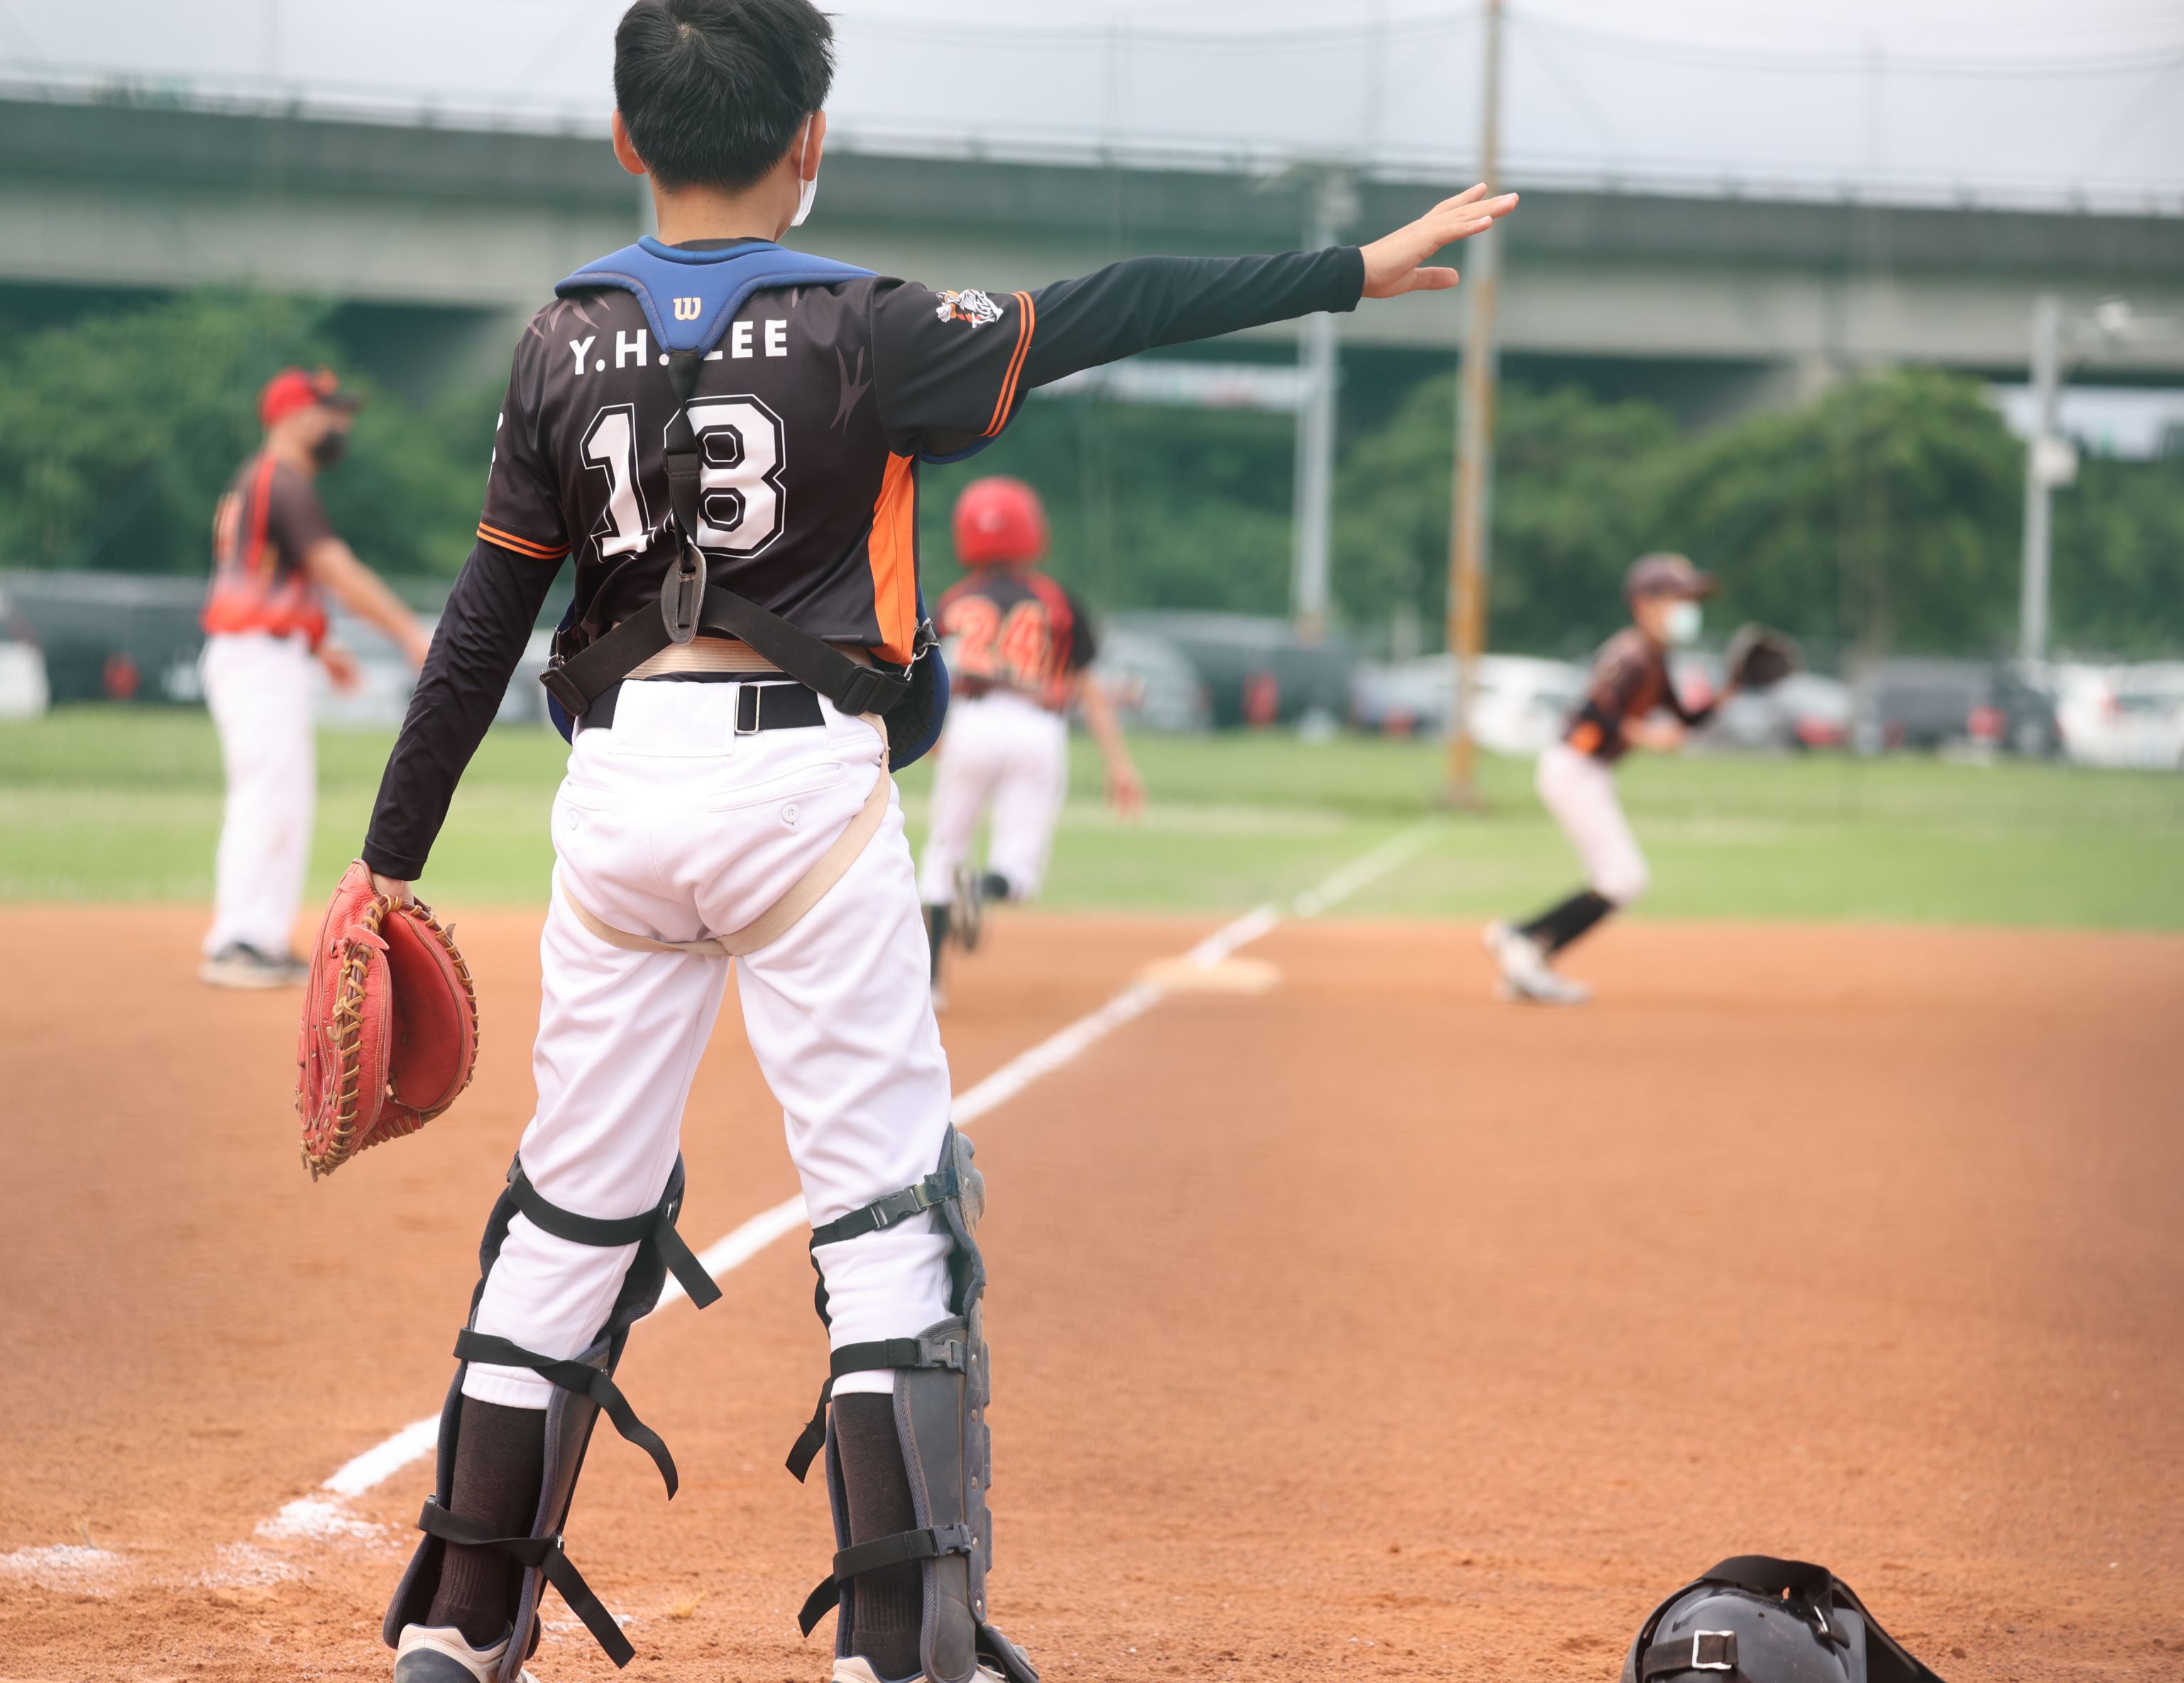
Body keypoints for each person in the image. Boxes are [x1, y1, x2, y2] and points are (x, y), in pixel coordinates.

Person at [352, 3, 1518, 1679]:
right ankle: (900, 1639)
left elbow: (482, 622)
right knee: (891, 1207)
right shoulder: (869, 326)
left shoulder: (559, 336)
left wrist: (388, 855)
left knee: (571, 1206)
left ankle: (459, 1622)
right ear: (808, 140)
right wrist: (1346, 268)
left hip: (616, 793)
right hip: (798, 790)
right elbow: (1115, 305)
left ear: (623, 138)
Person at [198, 366, 432, 989]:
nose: (340, 423)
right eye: (330, 411)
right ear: (294, 416)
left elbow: (266, 577)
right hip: (257, 657)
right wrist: (409, 633)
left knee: (283, 801)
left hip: (265, 652)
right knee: (265, 799)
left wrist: (320, 642)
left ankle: (262, 936)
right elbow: (337, 571)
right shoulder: (281, 481)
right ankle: (238, 939)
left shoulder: (265, 480)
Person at [917, 477, 1142, 1005]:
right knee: (1018, 869)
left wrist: (932, 737)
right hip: (1038, 728)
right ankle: (986, 887)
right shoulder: (1055, 601)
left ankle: (931, 984)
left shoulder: (952, 601)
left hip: (971, 725)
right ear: (1031, 531)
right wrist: (1119, 764)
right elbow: (1087, 688)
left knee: (944, 851)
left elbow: (926, 676)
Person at [1483, 552, 1733, 1006]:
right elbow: (1595, 710)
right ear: (1645, 603)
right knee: (1623, 877)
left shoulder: (1655, 658)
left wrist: (1732, 688)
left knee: (1621, 878)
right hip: (1573, 768)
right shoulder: (1631, 653)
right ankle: (1523, 940)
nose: (1688, 609)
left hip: (1587, 773)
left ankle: (1527, 949)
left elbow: (1686, 719)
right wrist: (1645, 734)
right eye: (1678, 599)